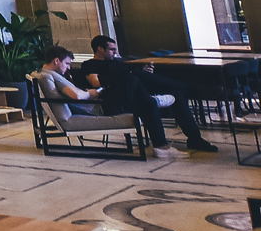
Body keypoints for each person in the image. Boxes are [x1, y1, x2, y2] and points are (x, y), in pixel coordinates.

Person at [79, 35, 217, 154]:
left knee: (177, 95)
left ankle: (195, 139)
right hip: (119, 97)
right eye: (112, 49)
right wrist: (127, 77)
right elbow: (95, 83)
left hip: (138, 91)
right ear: (100, 49)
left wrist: (142, 73)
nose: (115, 52)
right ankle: (191, 89)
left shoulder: (117, 62)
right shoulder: (90, 64)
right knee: (135, 76)